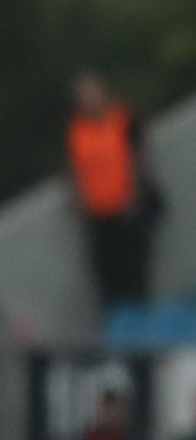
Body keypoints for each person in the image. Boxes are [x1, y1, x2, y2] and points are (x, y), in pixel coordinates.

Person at [67, 70, 161, 314]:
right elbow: (75, 170)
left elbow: (140, 158)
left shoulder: (123, 118)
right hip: (99, 216)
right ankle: (122, 334)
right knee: (108, 278)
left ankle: (144, 335)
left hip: (128, 209)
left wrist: (138, 196)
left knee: (135, 276)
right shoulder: (77, 131)